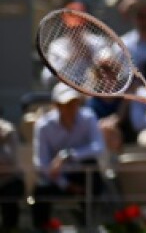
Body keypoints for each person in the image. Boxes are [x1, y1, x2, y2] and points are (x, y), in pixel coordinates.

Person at [32, 83, 107, 229]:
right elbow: (42, 164)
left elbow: (99, 147)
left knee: (94, 172)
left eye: (74, 102)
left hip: (83, 176)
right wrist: (66, 185)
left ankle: (89, 225)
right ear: (56, 106)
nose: (71, 108)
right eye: (66, 104)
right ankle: (42, 229)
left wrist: (68, 155)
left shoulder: (88, 117)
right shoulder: (43, 126)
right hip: (57, 179)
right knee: (39, 190)